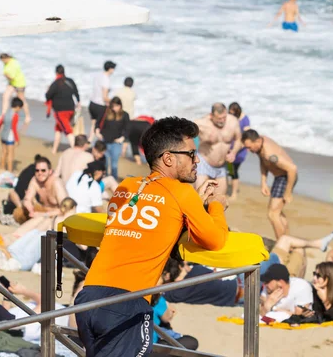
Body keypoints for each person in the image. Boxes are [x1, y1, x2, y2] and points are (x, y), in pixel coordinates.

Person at [75, 116, 229, 357]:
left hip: (89, 294)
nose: (196, 159)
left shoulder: (127, 186)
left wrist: (194, 205)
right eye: (191, 153)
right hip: (126, 302)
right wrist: (215, 205)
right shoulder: (181, 192)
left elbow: (151, 224)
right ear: (168, 158)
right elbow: (216, 239)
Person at [242, 129, 298, 239]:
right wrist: (263, 183)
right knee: (277, 212)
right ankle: (287, 240)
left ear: (257, 141)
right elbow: (262, 161)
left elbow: (292, 169)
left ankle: (282, 245)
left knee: (273, 214)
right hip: (279, 177)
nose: (248, 150)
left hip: (287, 177)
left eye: (249, 147)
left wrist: (288, 193)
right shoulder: (260, 145)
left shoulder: (270, 154)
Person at [194, 103, 242, 196]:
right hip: (204, 162)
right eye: (219, 118)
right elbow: (185, 137)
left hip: (222, 166)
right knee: (200, 197)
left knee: (220, 200)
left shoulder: (233, 121)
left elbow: (238, 140)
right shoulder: (201, 123)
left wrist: (233, 152)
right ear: (211, 116)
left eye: (224, 117)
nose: (222, 121)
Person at [13, 156, 67, 224]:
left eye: (43, 170)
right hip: (43, 211)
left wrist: (43, 215)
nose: (40, 173)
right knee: (19, 213)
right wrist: (27, 205)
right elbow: (27, 199)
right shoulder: (35, 180)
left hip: (57, 215)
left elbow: (66, 209)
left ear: (50, 171)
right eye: (37, 170)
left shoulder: (56, 183)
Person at [45, 65, 80, 154]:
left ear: (56, 72)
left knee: (68, 130)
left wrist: (47, 90)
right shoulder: (70, 81)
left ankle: (76, 151)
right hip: (71, 109)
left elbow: (48, 96)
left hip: (60, 111)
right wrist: (79, 102)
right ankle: (54, 150)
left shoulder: (55, 83)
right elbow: (76, 92)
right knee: (58, 128)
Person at [95, 96, 130, 180]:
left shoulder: (125, 115)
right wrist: (97, 131)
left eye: (117, 106)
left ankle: (113, 179)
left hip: (116, 143)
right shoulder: (105, 112)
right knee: (106, 163)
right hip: (104, 141)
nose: (115, 108)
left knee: (114, 164)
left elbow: (128, 129)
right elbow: (97, 123)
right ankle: (106, 179)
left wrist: (123, 138)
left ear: (120, 106)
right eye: (113, 106)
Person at [228, 102, 251, 201]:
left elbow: (247, 136)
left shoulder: (245, 120)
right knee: (228, 170)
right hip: (228, 149)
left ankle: (234, 193)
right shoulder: (230, 118)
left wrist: (235, 150)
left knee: (234, 171)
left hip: (240, 151)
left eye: (232, 113)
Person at [0, 53, 31, 124]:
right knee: (5, 96)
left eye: (3, 61)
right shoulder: (6, 63)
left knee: (21, 100)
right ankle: (3, 115)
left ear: (6, 58)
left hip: (19, 83)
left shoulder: (13, 63)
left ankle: (28, 116)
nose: (3, 62)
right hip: (12, 83)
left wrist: (6, 75)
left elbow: (12, 76)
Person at [89, 60, 116, 142]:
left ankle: (90, 141)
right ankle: (99, 143)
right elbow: (104, 97)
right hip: (100, 105)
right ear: (110, 69)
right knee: (99, 127)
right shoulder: (106, 79)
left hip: (92, 103)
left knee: (94, 125)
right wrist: (114, 102)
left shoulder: (98, 76)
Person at [0, 97, 23, 173]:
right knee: (10, 154)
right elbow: (14, 128)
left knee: (3, 152)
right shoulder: (15, 115)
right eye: (20, 108)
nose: (20, 110)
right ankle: (10, 171)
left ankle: (2, 168)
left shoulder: (6, 113)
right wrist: (17, 139)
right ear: (17, 107)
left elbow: (0, 122)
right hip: (10, 136)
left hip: (3, 135)